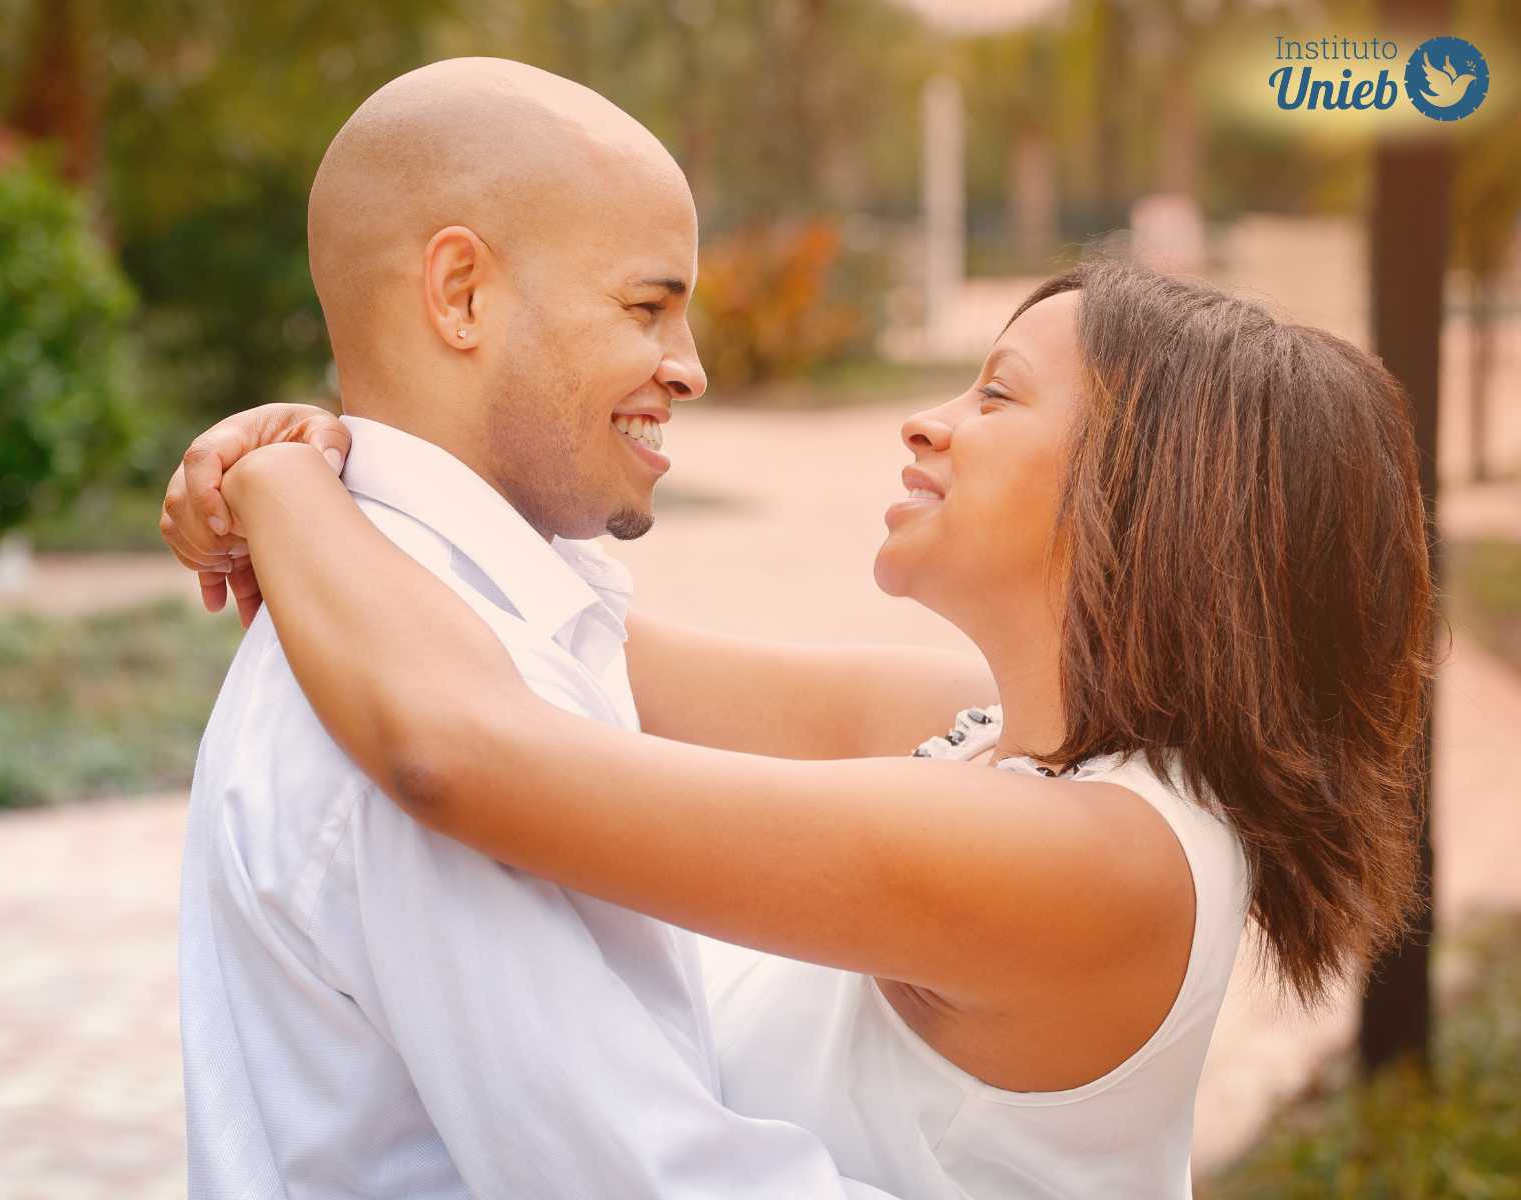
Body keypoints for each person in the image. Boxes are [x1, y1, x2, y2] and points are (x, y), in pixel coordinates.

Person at [165, 255, 1436, 1197]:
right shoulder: (985, 737)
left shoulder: (1086, 860)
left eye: (997, 397)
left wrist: (277, 484)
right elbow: (567, 650)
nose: (925, 419)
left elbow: (462, 752)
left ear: (1148, 496)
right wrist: (326, 462)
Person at [168, 57, 907, 1199]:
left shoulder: (493, 619)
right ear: (460, 293)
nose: (693, 367)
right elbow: (649, 1180)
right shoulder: (416, 689)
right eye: (647, 306)